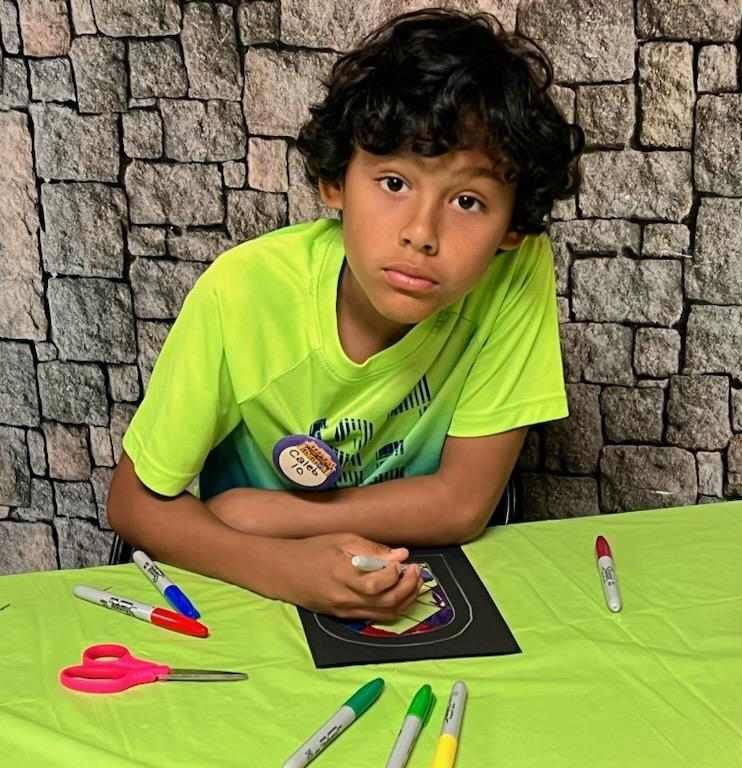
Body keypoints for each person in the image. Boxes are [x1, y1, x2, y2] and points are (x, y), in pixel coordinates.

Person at [107, 6, 583, 622]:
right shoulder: (242, 293)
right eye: (393, 183)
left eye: (468, 201)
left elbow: (464, 504)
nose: (421, 233)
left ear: (512, 229)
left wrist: (285, 517)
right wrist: (285, 567)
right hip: (240, 582)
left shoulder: (515, 271)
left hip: (404, 577)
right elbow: (134, 503)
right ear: (335, 182)